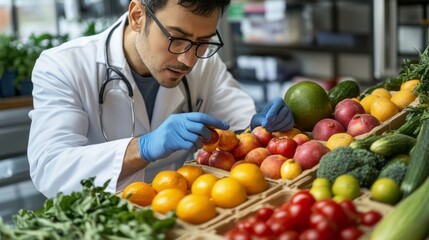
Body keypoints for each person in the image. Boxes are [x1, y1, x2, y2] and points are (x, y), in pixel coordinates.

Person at [28, 0, 294, 198]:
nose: (188, 60)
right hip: (102, 217)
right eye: (177, 39)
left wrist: (259, 126)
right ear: (137, 16)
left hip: (181, 212)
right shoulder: (63, 66)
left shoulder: (205, 63)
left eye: (203, 41)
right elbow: (49, 168)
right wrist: (142, 147)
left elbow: (237, 128)